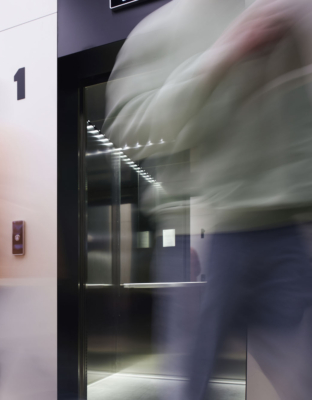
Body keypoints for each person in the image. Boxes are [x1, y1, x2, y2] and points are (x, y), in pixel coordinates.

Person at [104, 0, 312, 398]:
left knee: (300, 381)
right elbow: (131, 129)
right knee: (191, 385)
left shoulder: (286, 9)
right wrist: (223, 55)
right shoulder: (159, 30)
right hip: (198, 232)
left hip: (285, 229)